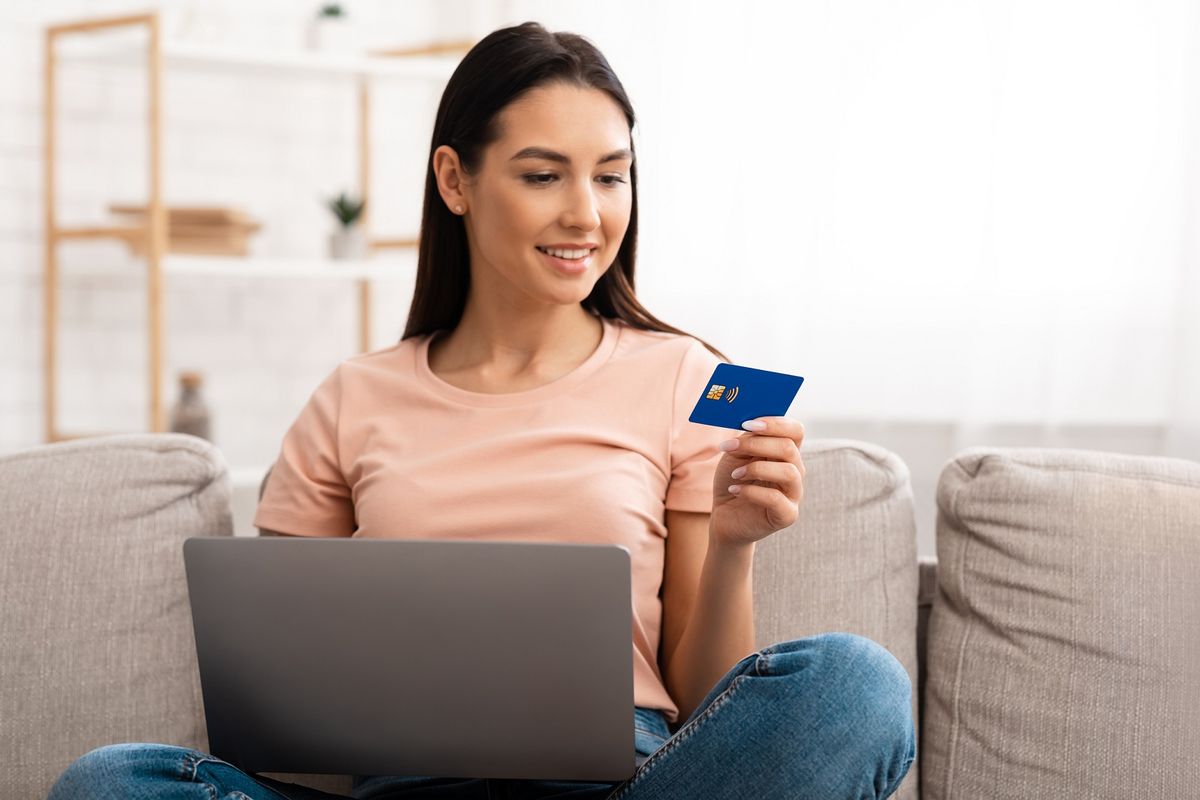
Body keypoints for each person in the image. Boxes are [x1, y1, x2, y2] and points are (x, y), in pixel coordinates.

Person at [46, 20, 914, 800]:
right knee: (111, 781)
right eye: (544, 175)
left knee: (856, 686)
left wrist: (732, 545)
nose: (587, 213)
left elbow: (708, 696)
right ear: (454, 180)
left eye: (612, 177)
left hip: (631, 778)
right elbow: (286, 698)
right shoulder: (354, 397)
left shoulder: (689, 377)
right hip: (410, 785)